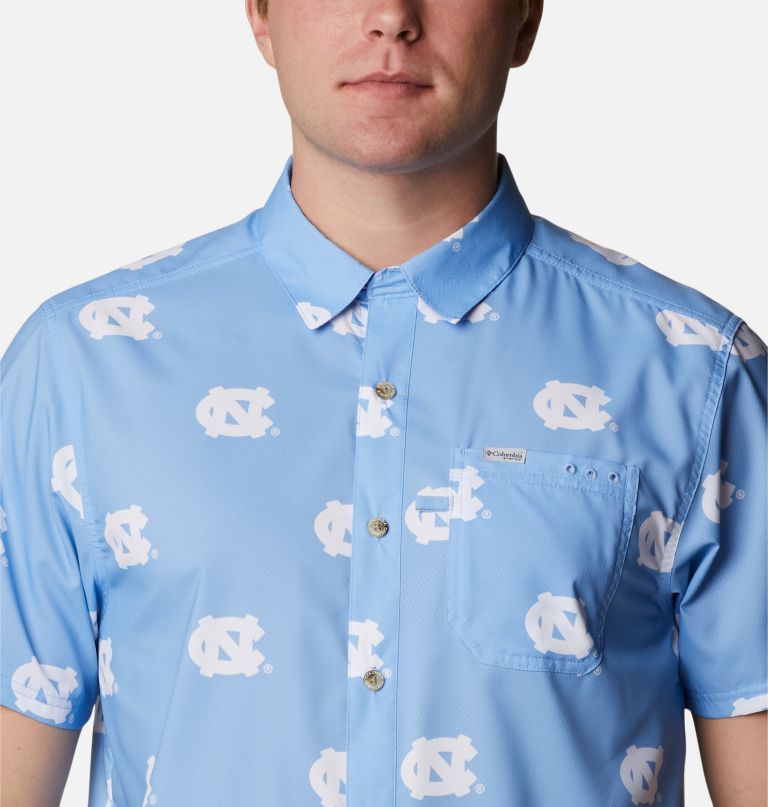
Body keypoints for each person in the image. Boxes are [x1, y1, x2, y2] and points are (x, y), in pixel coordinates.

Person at [1, 0, 766, 804]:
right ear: (260, 13)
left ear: (526, 18)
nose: (391, 17)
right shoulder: (81, 368)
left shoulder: (697, 375)